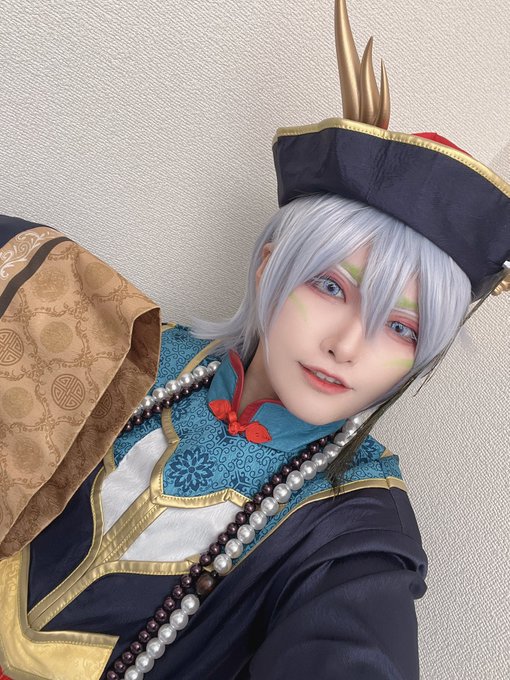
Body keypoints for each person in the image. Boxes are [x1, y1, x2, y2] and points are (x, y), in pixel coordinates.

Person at [0, 1, 508, 679]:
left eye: (401, 327)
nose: (348, 345)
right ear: (271, 267)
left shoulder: (357, 531)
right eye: (331, 287)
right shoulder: (133, 349)